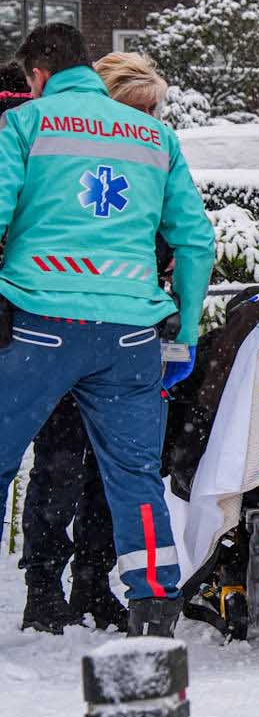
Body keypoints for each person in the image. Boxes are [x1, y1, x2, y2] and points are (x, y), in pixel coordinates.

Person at [0, 26, 215, 637]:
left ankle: (44, 588)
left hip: (39, 326)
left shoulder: (28, 125)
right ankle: (152, 604)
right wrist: (188, 329)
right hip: (129, 334)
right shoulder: (157, 137)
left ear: (38, 74)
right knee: (132, 475)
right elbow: (196, 240)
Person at [17, 52, 173, 633]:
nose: (150, 122)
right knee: (58, 465)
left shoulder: (153, 157)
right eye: (141, 109)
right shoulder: (62, 152)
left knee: (116, 475)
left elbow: (171, 237)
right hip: (61, 323)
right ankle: (43, 586)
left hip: (124, 333)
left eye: (154, 111)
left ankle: (93, 579)